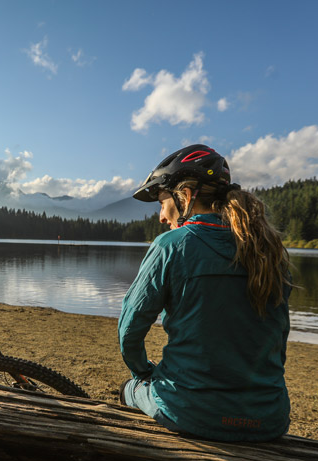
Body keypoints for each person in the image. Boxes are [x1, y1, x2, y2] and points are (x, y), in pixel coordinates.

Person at [118, 144, 292, 442]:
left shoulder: (171, 245)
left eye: (162, 202)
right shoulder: (270, 252)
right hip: (268, 418)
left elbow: (129, 333)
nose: (161, 216)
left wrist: (144, 372)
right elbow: (277, 343)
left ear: (185, 196)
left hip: (189, 411)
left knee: (128, 389)